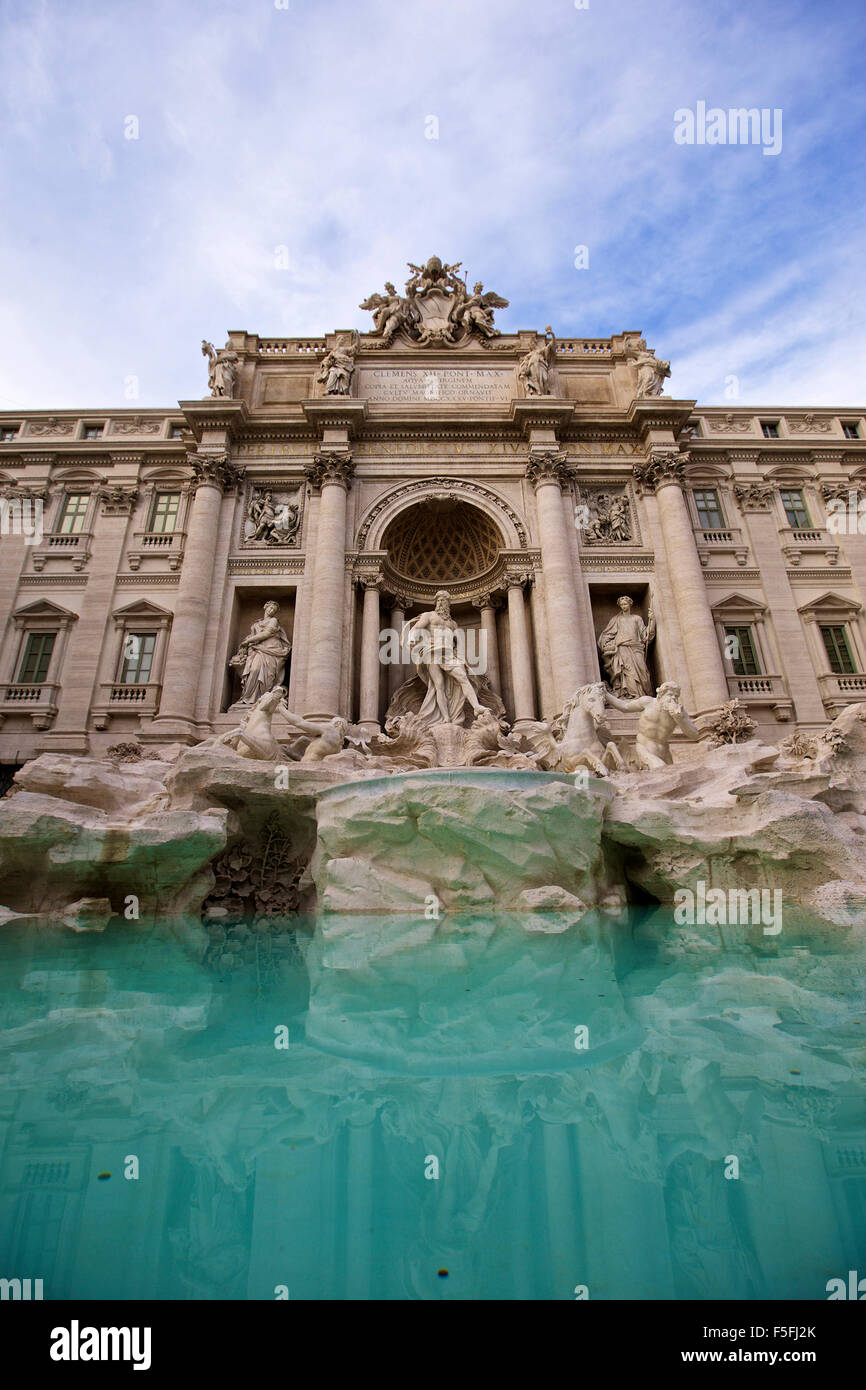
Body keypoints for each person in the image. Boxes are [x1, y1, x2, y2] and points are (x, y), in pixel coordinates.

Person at [407, 591, 482, 725]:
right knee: (439, 685)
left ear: (448, 604)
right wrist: (412, 638)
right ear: (435, 603)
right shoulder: (429, 615)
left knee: (463, 677)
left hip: (448, 654)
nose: (441, 603)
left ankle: (476, 707)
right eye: (439, 600)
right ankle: (446, 718)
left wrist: (460, 659)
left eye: (444, 600)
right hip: (432, 652)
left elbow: (457, 644)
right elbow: (416, 628)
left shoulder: (453, 624)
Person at [604, 681, 702, 770]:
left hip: (664, 752)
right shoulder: (648, 702)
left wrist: (680, 720)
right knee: (662, 769)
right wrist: (606, 694)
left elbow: (695, 734)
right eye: (670, 695)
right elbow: (624, 707)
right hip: (644, 748)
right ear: (661, 694)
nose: (673, 698)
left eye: (676, 696)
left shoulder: (680, 712)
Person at [229, 601, 291, 705]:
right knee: (254, 669)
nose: (271, 611)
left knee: (268, 675)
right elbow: (253, 637)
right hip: (258, 650)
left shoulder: (274, 621)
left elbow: (267, 633)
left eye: (274, 610)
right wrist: (246, 644)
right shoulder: (256, 624)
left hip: (272, 649)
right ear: (265, 607)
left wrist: (248, 641)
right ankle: (248, 698)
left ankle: (263, 700)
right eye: (270, 608)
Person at [598, 596, 655, 698]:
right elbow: (606, 635)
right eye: (622, 605)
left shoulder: (637, 618)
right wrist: (608, 644)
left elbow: (645, 636)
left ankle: (642, 694)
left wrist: (652, 621)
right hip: (622, 648)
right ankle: (630, 694)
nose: (624, 606)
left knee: (643, 671)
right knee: (627, 672)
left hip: (636, 648)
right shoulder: (616, 620)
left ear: (630, 604)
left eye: (625, 604)